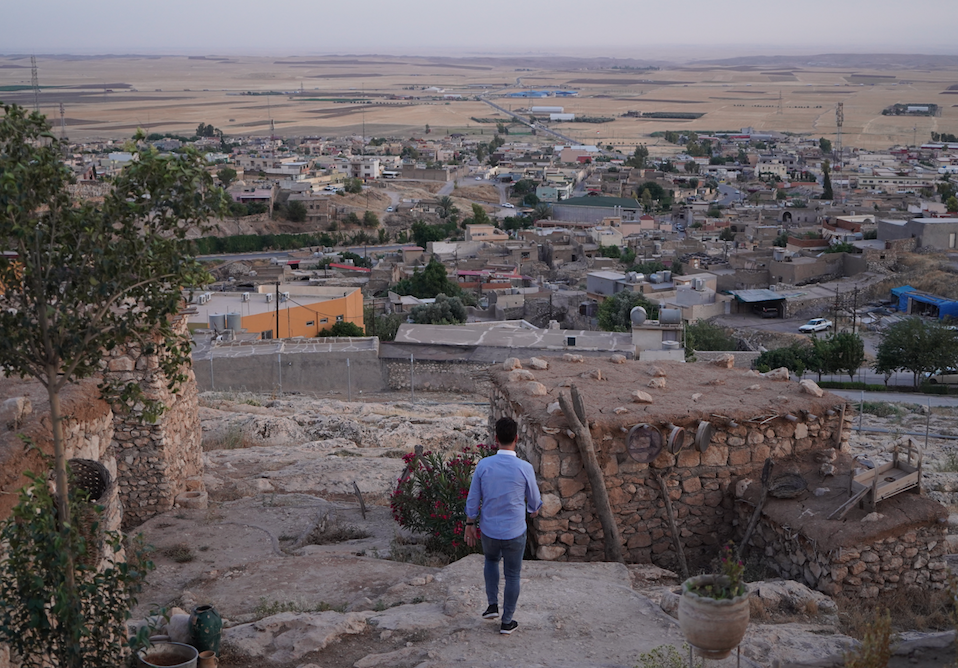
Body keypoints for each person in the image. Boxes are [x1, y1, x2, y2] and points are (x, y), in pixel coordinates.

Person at [464, 417, 542, 635]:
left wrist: (470, 523)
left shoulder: (484, 465)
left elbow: (473, 499)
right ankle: (507, 621)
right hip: (515, 531)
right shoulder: (525, 468)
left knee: (490, 560)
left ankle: (491, 605)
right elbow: (534, 500)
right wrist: (533, 509)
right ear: (517, 438)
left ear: (495, 438)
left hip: (489, 529)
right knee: (513, 575)